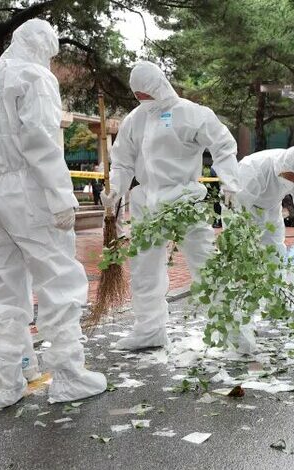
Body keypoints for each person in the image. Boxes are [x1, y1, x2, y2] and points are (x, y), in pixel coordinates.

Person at [0, 19, 106, 409]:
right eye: (51, 51)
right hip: (28, 189)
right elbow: (40, 140)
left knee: (2, 288)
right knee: (59, 278)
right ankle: (69, 376)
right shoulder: (33, 77)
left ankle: (5, 383)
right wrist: (61, 196)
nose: (51, 60)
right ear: (40, 44)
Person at [101, 61, 243, 351]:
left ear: (159, 86)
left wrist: (230, 181)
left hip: (185, 201)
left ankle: (232, 330)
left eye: (147, 94)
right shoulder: (135, 120)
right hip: (147, 203)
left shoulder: (191, 114)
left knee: (206, 264)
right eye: (138, 95)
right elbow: (123, 161)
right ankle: (149, 330)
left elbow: (223, 144)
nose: (143, 100)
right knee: (144, 269)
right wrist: (115, 191)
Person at [235, 144, 294, 255]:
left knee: (275, 253)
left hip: (272, 208)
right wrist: (237, 231)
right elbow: (237, 205)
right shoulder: (254, 168)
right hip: (247, 208)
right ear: (283, 168)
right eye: (291, 176)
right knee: (243, 253)